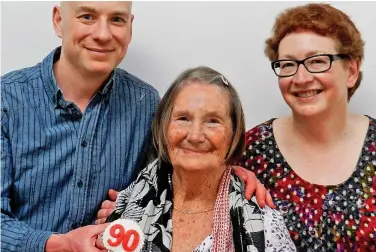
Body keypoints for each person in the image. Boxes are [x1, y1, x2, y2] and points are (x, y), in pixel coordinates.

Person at [1, 2, 269, 251]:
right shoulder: (6, 100)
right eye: (87, 17)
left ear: (130, 28)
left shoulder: (145, 102)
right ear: (59, 21)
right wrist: (58, 244)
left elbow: (173, 171)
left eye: (116, 19)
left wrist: (225, 172)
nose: (103, 34)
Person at [237, 3, 376, 251]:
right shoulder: (251, 151)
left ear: (351, 70)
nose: (301, 78)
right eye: (288, 64)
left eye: (318, 61)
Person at [99, 66, 296, 252]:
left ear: (234, 134)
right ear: (163, 127)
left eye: (213, 121)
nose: (195, 136)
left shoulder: (265, 226)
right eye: (183, 118)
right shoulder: (127, 204)